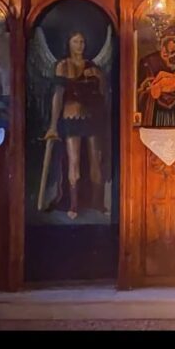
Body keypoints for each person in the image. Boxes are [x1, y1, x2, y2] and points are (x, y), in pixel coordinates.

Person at [43, 32, 106, 220]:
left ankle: (98, 203)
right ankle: (73, 204)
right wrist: (53, 125)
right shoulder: (63, 66)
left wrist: (99, 76)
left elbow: (103, 92)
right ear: (69, 44)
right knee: (74, 160)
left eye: (82, 41)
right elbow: (58, 96)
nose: (80, 45)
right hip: (71, 117)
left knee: (95, 160)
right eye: (76, 41)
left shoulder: (92, 66)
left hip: (92, 116)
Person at [137, 26, 175, 126]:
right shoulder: (148, 61)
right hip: (155, 112)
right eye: (173, 41)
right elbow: (141, 89)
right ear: (165, 40)